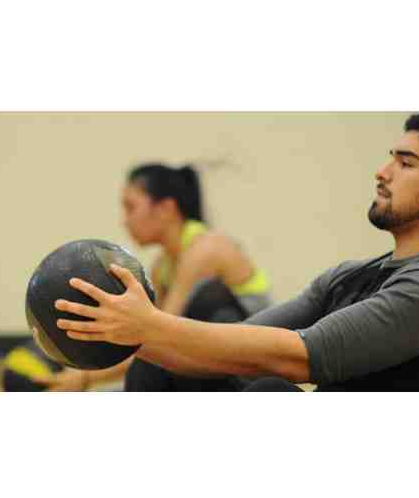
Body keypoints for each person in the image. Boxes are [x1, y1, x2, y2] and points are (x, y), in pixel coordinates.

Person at [53, 113, 419, 392]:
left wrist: (146, 327)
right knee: (162, 368)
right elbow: (223, 347)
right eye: (391, 158)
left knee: (268, 394)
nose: (382, 172)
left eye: (405, 163)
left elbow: (300, 357)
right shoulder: (349, 276)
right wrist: (115, 333)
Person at [41, 163, 272, 391]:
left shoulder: (205, 250)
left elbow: (155, 335)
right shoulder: (162, 267)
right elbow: (148, 340)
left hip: (255, 371)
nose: (125, 220)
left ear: (166, 209)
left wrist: (87, 378)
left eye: (131, 207)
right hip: (214, 365)